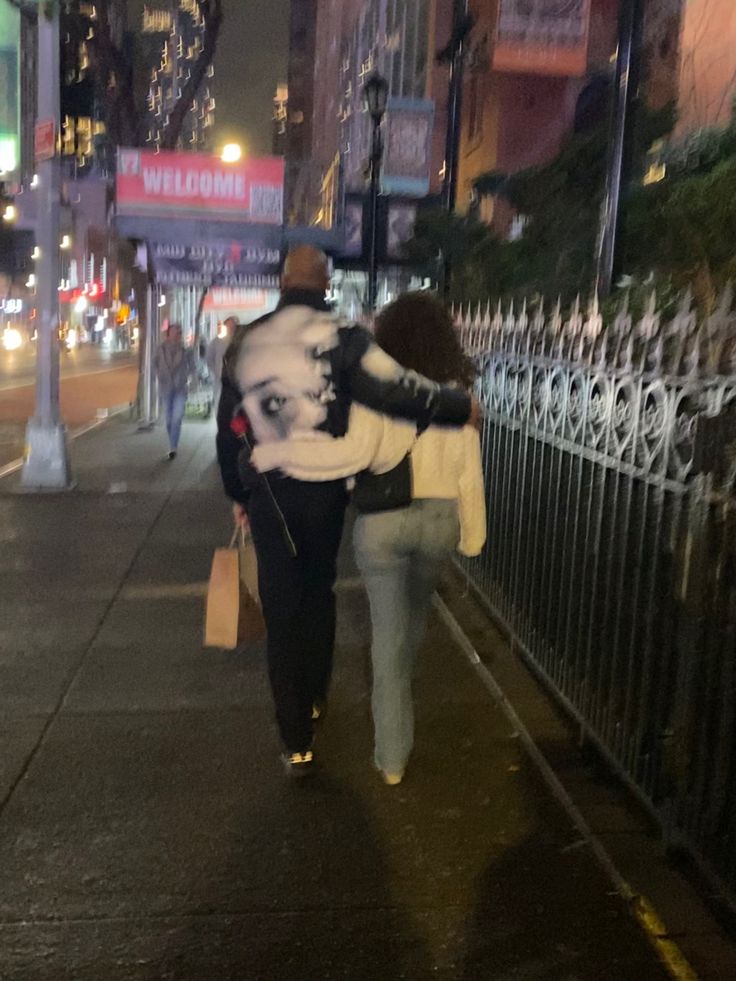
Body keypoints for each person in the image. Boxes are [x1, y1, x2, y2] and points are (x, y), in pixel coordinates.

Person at [216, 246, 480, 776]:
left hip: (269, 494)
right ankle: (316, 695)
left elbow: (229, 426)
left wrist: (239, 497)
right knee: (317, 591)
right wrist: (459, 407)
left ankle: (296, 740)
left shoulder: (247, 340)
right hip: (326, 494)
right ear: (326, 284)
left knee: (281, 605)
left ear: (283, 282)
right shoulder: (349, 340)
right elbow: (398, 389)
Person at [154, 322, 195, 460]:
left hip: (180, 388)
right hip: (165, 387)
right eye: (174, 332)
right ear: (168, 334)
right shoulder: (160, 349)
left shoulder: (186, 350)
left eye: (179, 332)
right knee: (168, 419)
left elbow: (193, 367)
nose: (177, 335)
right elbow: (154, 364)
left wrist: (189, 379)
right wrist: (159, 375)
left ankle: (173, 447)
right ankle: (172, 440)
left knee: (177, 417)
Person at [206, 316, 237, 410]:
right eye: (229, 325)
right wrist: (216, 370)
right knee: (220, 404)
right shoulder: (217, 342)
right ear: (225, 326)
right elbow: (209, 358)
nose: (231, 327)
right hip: (220, 379)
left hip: (236, 380)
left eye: (234, 325)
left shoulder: (241, 341)